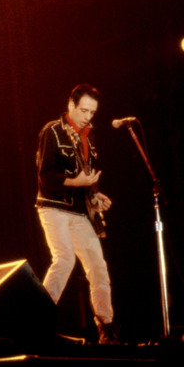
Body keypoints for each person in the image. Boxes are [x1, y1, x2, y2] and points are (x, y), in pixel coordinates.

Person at [35, 83, 118, 344]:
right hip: (54, 207)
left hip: (80, 210)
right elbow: (46, 177)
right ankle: (38, 322)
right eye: (84, 110)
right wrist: (77, 183)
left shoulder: (88, 137)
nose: (87, 116)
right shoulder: (53, 131)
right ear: (70, 105)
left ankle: (106, 327)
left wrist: (94, 196)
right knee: (64, 259)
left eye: (92, 112)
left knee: (98, 266)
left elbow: (86, 179)